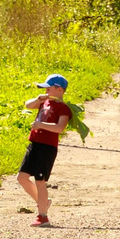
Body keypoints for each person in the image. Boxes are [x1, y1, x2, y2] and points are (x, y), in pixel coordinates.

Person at [15, 73, 80, 227]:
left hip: (47, 148)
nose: (46, 92)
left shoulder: (63, 108)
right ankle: (42, 201)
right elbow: (28, 105)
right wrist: (38, 99)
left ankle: (42, 216)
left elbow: (59, 127)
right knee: (22, 177)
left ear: (59, 90)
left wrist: (40, 125)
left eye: (48, 89)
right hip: (34, 144)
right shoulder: (44, 102)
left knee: (40, 181)